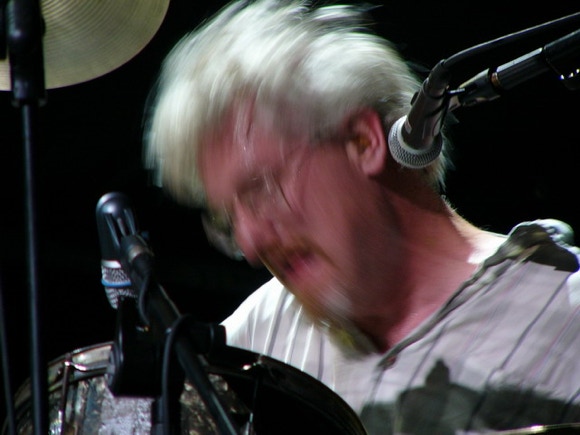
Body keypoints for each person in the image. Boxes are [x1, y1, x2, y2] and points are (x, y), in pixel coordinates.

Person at [143, 0, 580, 433]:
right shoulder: (259, 335)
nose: (251, 242)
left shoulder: (564, 312)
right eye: (227, 219)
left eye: (261, 189)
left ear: (362, 142)